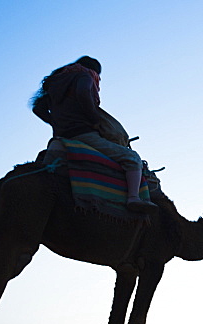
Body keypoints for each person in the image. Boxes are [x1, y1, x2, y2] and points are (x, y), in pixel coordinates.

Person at [31, 56, 157, 213]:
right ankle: (133, 198)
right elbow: (83, 92)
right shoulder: (84, 76)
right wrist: (94, 119)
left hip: (59, 138)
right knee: (132, 158)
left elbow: (37, 108)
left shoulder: (55, 84)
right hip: (84, 135)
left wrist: (56, 123)